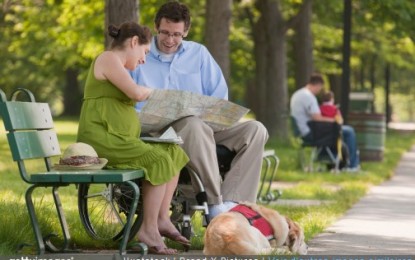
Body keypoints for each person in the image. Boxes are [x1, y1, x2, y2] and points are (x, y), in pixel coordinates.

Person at [130, 1, 269, 219]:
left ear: (186, 31)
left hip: (204, 127)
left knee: (256, 130)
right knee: (193, 124)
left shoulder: (199, 54)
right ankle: (214, 205)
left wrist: (216, 115)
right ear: (156, 27)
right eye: (165, 32)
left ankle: (234, 204)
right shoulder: (140, 56)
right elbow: (130, 102)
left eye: (176, 34)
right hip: (160, 132)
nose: (169, 40)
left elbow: (219, 97)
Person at [77, 22, 190, 255]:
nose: (143, 60)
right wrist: (162, 95)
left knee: (174, 153)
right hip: (103, 140)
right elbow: (137, 93)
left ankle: (161, 219)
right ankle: (147, 231)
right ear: (134, 42)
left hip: (119, 138)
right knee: (158, 160)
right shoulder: (108, 59)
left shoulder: (118, 66)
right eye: (145, 53)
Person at [290, 73, 360, 171]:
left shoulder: (297, 94)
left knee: (338, 132)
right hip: (311, 133)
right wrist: (335, 121)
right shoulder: (308, 97)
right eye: (320, 88)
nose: (319, 91)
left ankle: (335, 162)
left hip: (303, 131)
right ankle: (352, 165)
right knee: (348, 131)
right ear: (318, 85)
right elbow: (317, 117)